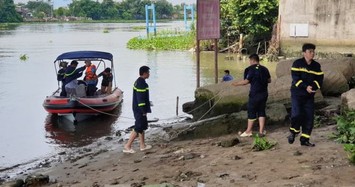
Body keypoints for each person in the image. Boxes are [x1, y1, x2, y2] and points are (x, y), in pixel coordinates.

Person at [288, 43, 324, 147]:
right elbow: (296, 79)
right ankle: (293, 132)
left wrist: (313, 87)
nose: (312, 54)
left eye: (313, 52)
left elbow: (320, 80)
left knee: (309, 117)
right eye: (310, 52)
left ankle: (305, 140)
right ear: (304, 53)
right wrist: (305, 87)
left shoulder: (316, 66)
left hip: (309, 95)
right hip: (297, 94)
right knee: (297, 114)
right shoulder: (297, 63)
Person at [231, 54, 271, 137]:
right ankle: (261, 131)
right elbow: (269, 80)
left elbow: (246, 81)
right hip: (264, 94)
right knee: (261, 111)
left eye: (250, 61)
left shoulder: (250, 69)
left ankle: (249, 131)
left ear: (252, 60)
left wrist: (236, 84)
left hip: (254, 94)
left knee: (251, 111)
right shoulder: (265, 69)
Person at [123, 66, 152, 153]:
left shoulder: (140, 81)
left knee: (142, 126)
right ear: (144, 73)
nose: (149, 74)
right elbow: (140, 98)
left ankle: (142, 145)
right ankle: (127, 146)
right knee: (138, 127)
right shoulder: (141, 83)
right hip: (139, 109)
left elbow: (143, 97)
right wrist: (143, 110)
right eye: (148, 72)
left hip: (138, 108)